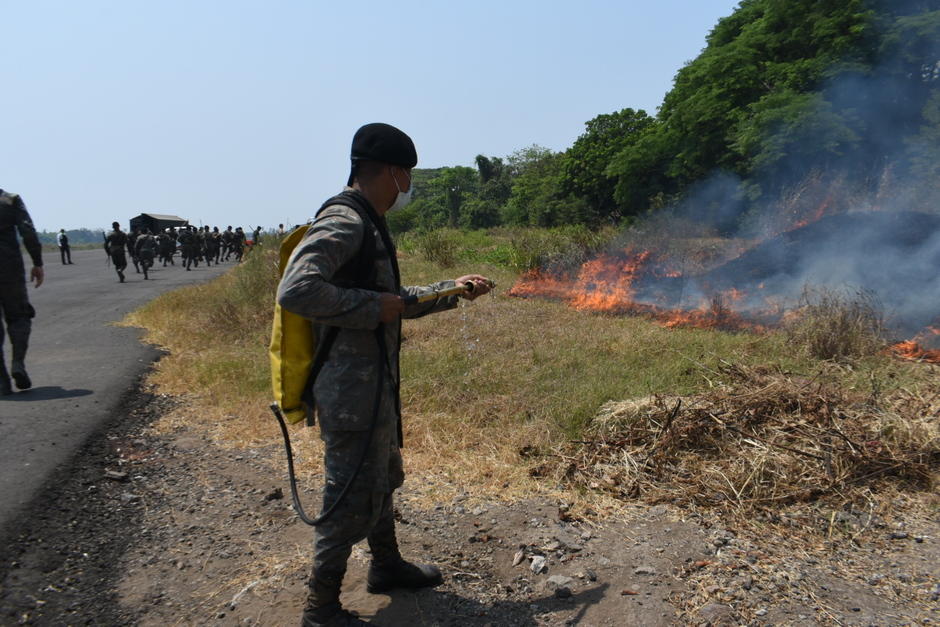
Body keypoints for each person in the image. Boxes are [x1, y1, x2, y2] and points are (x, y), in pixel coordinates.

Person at [277, 123, 492, 626]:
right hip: (350, 392)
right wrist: (374, 306)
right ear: (395, 173)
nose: (407, 186)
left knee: (384, 478)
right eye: (407, 176)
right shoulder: (346, 221)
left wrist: (450, 289)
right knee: (348, 494)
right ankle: (321, 607)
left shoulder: (369, 220)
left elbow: (393, 303)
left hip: (373, 387)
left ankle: (387, 565)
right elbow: (298, 291)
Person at [0, 189, 43, 394]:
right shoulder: (11, 200)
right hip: (9, 266)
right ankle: (18, 363)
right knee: (19, 316)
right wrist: (37, 262)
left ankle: (2, 379)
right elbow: (27, 230)